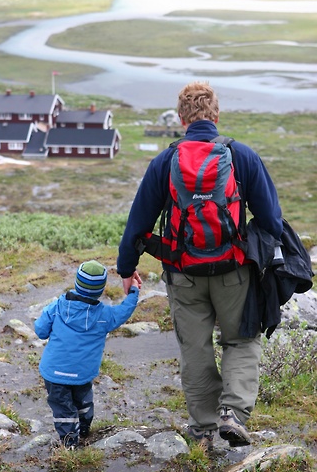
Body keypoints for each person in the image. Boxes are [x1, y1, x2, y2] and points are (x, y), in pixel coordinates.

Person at [117, 81, 283, 449]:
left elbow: (138, 223)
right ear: (217, 114)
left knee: (195, 348)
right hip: (233, 273)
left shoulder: (165, 161)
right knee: (241, 341)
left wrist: (126, 269)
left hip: (184, 275)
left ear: (181, 119)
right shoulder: (242, 156)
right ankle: (234, 415)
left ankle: (204, 429)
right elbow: (272, 220)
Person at [35, 260, 140, 449]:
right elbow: (124, 311)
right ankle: (83, 430)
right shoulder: (105, 316)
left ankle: (69, 444)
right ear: (101, 289)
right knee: (83, 402)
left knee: (62, 407)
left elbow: (40, 331)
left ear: (77, 282)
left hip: (54, 373)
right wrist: (134, 291)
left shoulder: (57, 306)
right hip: (82, 374)